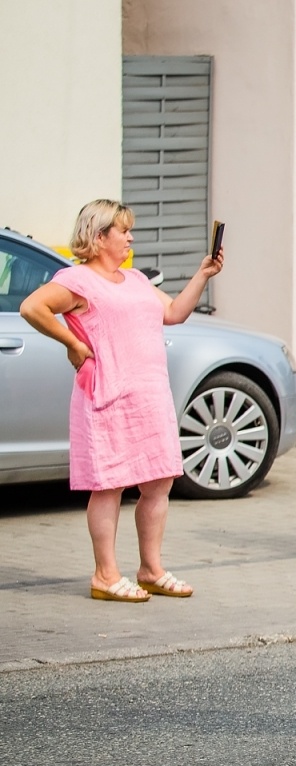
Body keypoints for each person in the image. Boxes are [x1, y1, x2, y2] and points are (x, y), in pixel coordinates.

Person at [20, 200, 223, 603]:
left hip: (150, 396)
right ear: (99, 237)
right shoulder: (77, 279)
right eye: (123, 230)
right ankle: (105, 575)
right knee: (109, 486)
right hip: (108, 396)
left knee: (158, 484)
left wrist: (203, 274)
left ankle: (151, 569)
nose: (130, 237)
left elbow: (175, 313)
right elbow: (32, 307)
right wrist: (73, 343)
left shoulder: (135, 279)